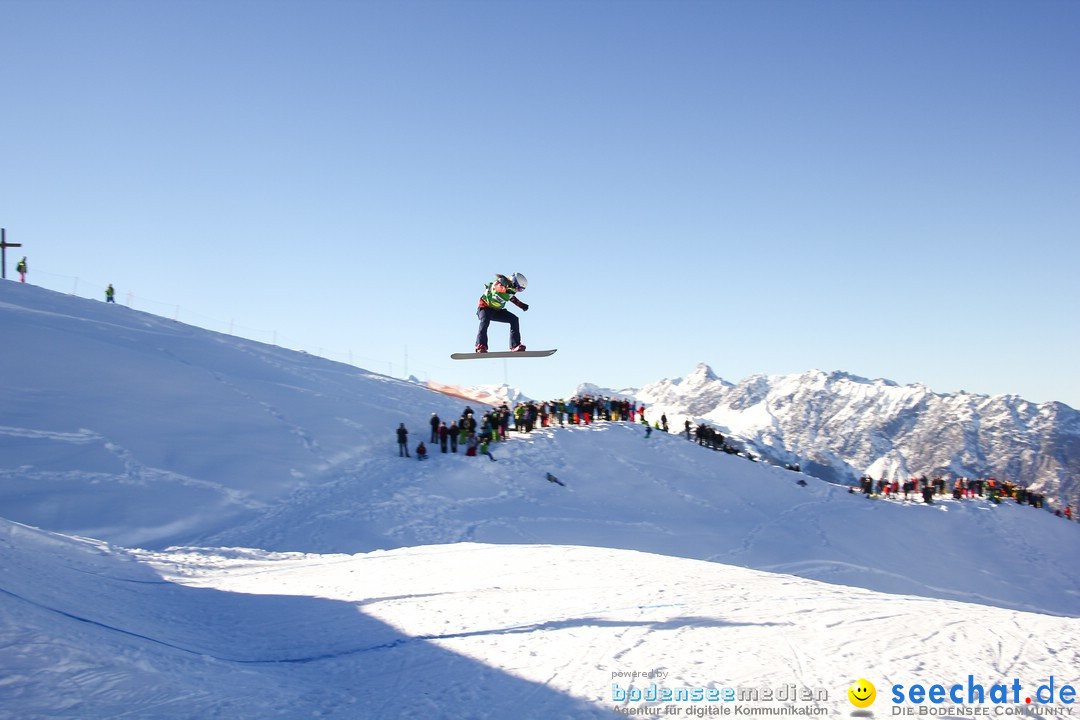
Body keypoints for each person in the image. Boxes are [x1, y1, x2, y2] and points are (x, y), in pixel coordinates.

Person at [475, 272, 529, 353]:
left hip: (496, 311)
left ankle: (515, 345)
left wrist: (522, 305)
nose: (518, 291)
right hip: (485, 308)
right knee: (485, 320)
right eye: (519, 288)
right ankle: (481, 345)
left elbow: (513, 299)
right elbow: (497, 287)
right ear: (514, 282)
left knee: (514, 319)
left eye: (521, 290)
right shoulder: (501, 281)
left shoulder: (511, 291)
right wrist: (506, 289)